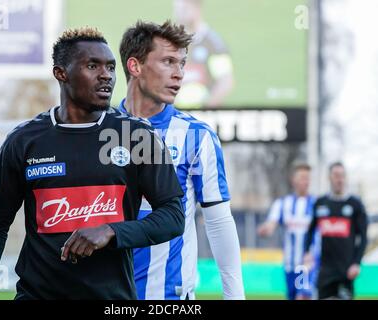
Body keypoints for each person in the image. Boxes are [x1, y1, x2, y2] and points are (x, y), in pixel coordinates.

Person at [0, 27, 185, 300]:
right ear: (61, 73)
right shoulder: (24, 141)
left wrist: (111, 231)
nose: (106, 75)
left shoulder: (137, 137)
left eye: (111, 67)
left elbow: (174, 216)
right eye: (92, 66)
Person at [119, 20, 244, 300]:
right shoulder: (100, 131)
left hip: (170, 297)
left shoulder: (197, 136)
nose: (180, 75)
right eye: (168, 62)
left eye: (182, 64)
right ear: (135, 66)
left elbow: (219, 221)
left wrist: (234, 296)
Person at [303, 162, 368, 300]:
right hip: (325, 270)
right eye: (336, 175)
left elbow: (363, 237)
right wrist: (307, 251)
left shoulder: (355, 204)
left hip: (346, 270)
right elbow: (310, 230)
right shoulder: (320, 203)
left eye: (343, 176)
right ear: (329, 178)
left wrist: (356, 263)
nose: (340, 179)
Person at [257, 163, 320, 300]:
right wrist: (265, 229)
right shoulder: (283, 203)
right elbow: (271, 223)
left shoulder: (317, 204)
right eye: (302, 177)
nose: (306, 181)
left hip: (307, 264)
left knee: (303, 296)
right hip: (290, 264)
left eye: (308, 178)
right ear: (294, 180)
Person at [173, 0, 234, 108]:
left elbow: (225, 81)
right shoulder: (169, 41)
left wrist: (207, 109)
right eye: (178, 9)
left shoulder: (213, 43)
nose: (180, 14)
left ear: (197, 8)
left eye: (184, 9)